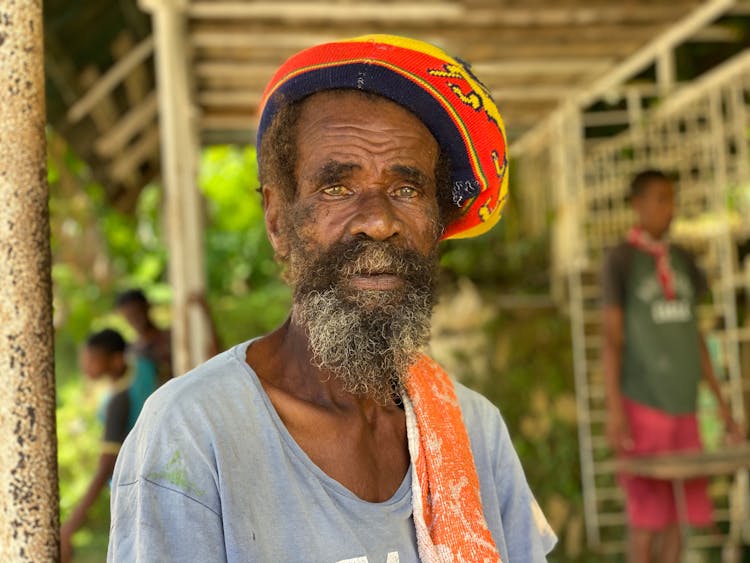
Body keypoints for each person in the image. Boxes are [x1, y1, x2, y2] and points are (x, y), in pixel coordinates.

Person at [108, 35, 557, 562]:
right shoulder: (192, 433)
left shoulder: (474, 431)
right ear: (278, 220)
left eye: (408, 190)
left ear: (437, 225)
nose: (379, 221)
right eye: (337, 188)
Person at [601, 169, 745, 563]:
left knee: (678, 518)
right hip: (643, 403)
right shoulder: (621, 260)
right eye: (660, 198)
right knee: (647, 519)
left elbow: (694, 337)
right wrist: (615, 411)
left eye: (672, 198)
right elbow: (611, 340)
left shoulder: (682, 260)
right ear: (637, 204)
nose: (669, 208)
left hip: (686, 404)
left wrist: (722, 407)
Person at [61, 328, 158, 563]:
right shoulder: (143, 369)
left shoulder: (118, 401)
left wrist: (69, 528)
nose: (86, 366)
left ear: (116, 360)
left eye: (93, 360)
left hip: (135, 489)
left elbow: (107, 466)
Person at [115, 288, 173, 384]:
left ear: (147, 306)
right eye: (129, 316)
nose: (135, 319)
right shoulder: (131, 352)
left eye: (137, 312)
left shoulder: (171, 337)